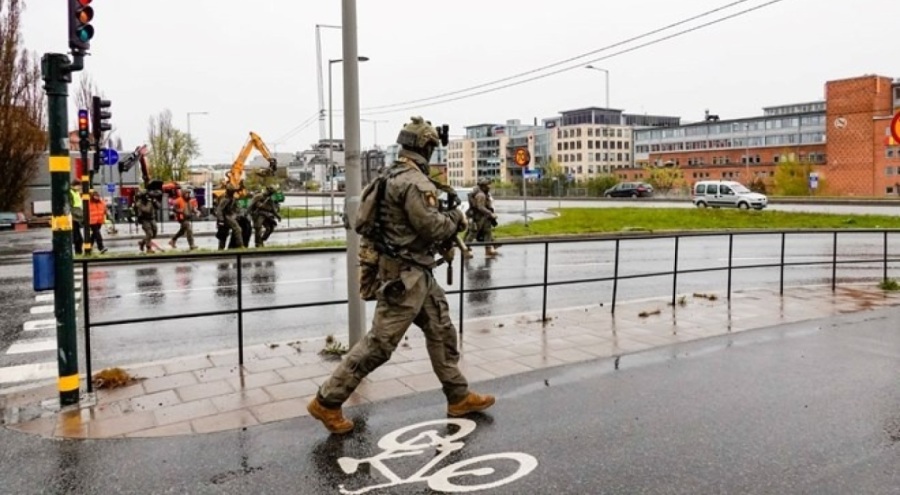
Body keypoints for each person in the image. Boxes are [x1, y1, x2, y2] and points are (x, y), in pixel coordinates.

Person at [307, 116, 495, 435]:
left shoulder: (389, 175)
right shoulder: (414, 182)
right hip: (405, 279)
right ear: (426, 147)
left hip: (415, 272)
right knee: (379, 344)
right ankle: (327, 401)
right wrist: (456, 217)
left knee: (441, 330)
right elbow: (432, 226)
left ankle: (458, 396)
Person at [464, 177, 499, 258]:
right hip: (478, 217)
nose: (489, 186)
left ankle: (488, 250)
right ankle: (465, 250)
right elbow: (480, 207)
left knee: (487, 232)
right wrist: (490, 213)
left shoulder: (484, 193)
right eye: (488, 185)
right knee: (473, 233)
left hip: (484, 217)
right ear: (483, 186)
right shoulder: (481, 195)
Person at [215, 185, 244, 250]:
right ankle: (240, 245)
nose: (233, 192)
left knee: (224, 233)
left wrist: (237, 214)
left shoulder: (232, 198)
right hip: (225, 217)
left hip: (229, 216)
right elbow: (219, 210)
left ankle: (221, 249)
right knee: (235, 230)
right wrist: (221, 220)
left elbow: (237, 207)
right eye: (232, 191)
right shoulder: (225, 199)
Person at [87, 190, 108, 254]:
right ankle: (101, 247)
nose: (97, 197)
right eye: (95, 196)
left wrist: (107, 214)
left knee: (94, 234)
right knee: (97, 234)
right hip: (92, 221)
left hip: (99, 221)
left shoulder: (101, 202)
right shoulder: (89, 203)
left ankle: (89, 246)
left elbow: (105, 210)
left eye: (97, 196)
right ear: (92, 196)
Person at [69, 179, 84, 255]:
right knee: (77, 237)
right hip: (74, 216)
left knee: (78, 237)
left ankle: (79, 252)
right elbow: (70, 206)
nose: (79, 188)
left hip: (77, 216)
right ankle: (78, 252)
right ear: (74, 186)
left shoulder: (76, 192)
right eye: (78, 186)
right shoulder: (70, 193)